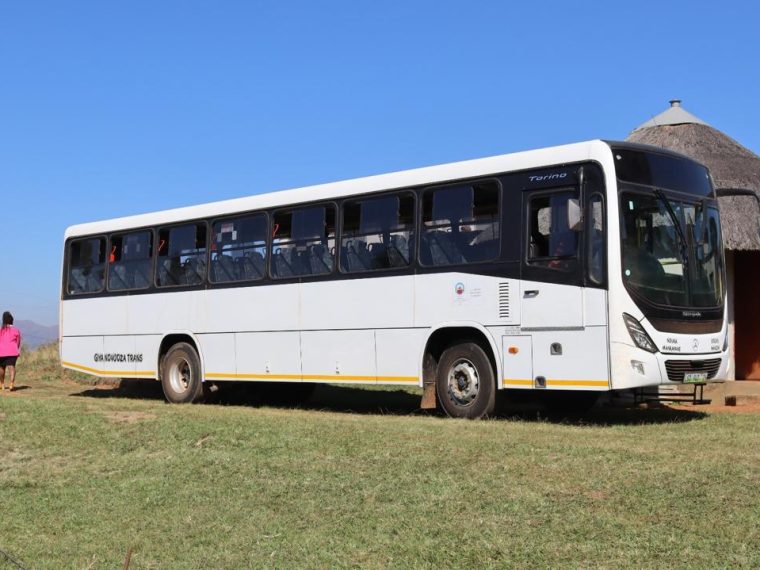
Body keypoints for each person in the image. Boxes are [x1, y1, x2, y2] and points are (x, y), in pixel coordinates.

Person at [0, 311, 22, 392]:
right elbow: (18, 342)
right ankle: (11, 384)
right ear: (12, 320)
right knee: (11, 367)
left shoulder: (1, 330)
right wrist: (16, 349)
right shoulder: (16, 330)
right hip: (13, 351)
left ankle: (2, 384)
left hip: (1, 351)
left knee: (1, 367)